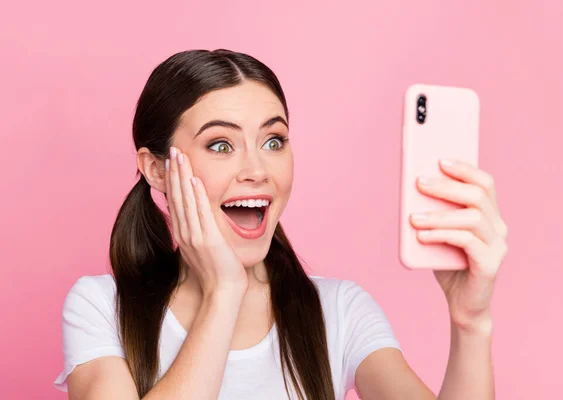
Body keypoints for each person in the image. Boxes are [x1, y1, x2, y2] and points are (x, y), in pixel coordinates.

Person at [54, 49, 508, 400]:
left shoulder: (339, 311)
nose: (257, 169)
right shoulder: (100, 307)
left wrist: (471, 322)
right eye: (220, 145)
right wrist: (224, 291)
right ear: (156, 170)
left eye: (274, 140)